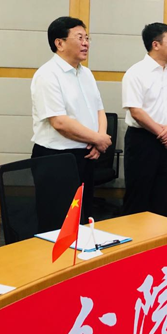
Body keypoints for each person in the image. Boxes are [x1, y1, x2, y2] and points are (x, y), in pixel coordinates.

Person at [31, 17, 112, 219]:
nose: (86, 43)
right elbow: (59, 122)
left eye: (87, 38)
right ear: (59, 43)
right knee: (58, 220)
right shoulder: (47, 75)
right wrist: (97, 139)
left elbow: (99, 110)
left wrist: (99, 138)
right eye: (79, 38)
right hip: (57, 158)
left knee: (83, 216)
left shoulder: (86, 74)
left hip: (86, 154)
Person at [122, 22, 167, 218]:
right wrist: (162, 133)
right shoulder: (136, 72)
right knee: (139, 194)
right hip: (143, 140)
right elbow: (136, 111)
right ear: (155, 44)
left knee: (164, 195)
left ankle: (160, 236)